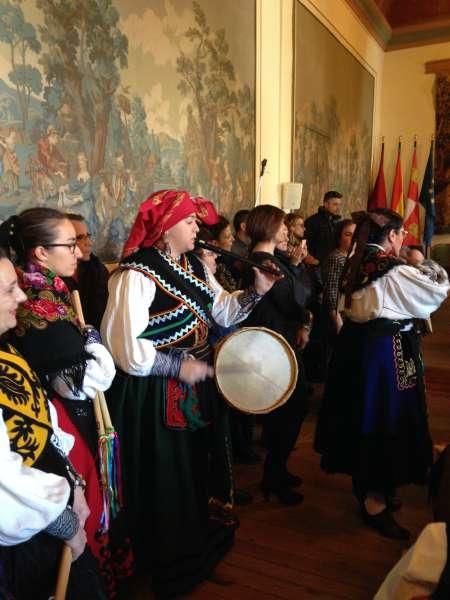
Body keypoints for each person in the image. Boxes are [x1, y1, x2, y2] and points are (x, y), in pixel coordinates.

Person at [101, 189, 279, 598]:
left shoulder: (193, 266)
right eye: (189, 221)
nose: (198, 227)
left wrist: (257, 290)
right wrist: (177, 366)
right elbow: (126, 350)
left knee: (196, 468)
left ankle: (196, 551)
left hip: (192, 387)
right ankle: (166, 564)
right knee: (167, 477)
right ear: (165, 229)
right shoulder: (134, 275)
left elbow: (222, 311)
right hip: (153, 395)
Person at [3, 208, 133, 597]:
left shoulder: (50, 294)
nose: (78, 252)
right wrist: (93, 343)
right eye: (69, 244)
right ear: (40, 253)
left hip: (57, 439)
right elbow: (89, 379)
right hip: (57, 433)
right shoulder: (37, 311)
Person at [315, 209, 449, 540]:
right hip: (383, 350)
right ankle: (374, 497)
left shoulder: (355, 259)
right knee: (382, 417)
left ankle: (376, 486)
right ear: (390, 235)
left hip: (359, 346)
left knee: (364, 414)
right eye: (401, 233)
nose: (404, 239)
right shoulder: (393, 269)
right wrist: (424, 265)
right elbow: (436, 292)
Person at [0, 246, 106, 599]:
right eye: (8, 290)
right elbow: (4, 482)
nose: (20, 296)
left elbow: (41, 417)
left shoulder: (6, 350)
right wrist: (61, 520)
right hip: (24, 535)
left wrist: (71, 482)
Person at [242, 204, 313, 506]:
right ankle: (273, 475)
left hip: (277, 340)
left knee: (290, 406)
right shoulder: (263, 262)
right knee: (290, 407)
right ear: (271, 227)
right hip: (271, 343)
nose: (287, 230)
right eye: (283, 224)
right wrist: (297, 272)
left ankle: (278, 469)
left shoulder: (272, 259)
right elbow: (296, 298)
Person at [63, 213, 109, 330]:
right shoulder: (50, 278)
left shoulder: (96, 268)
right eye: (79, 238)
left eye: (88, 236)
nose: (89, 243)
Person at [322, 218, 356, 336]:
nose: (353, 239)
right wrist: (338, 323)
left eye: (355, 235)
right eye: (348, 234)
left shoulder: (352, 258)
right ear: (339, 238)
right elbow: (331, 292)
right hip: (338, 318)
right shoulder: (335, 258)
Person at [304, 190, 342, 265]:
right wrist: (314, 260)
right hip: (316, 266)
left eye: (339, 205)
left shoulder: (337, 222)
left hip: (332, 263)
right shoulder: (312, 221)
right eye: (335, 204)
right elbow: (304, 243)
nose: (338, 208)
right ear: (326, 204)